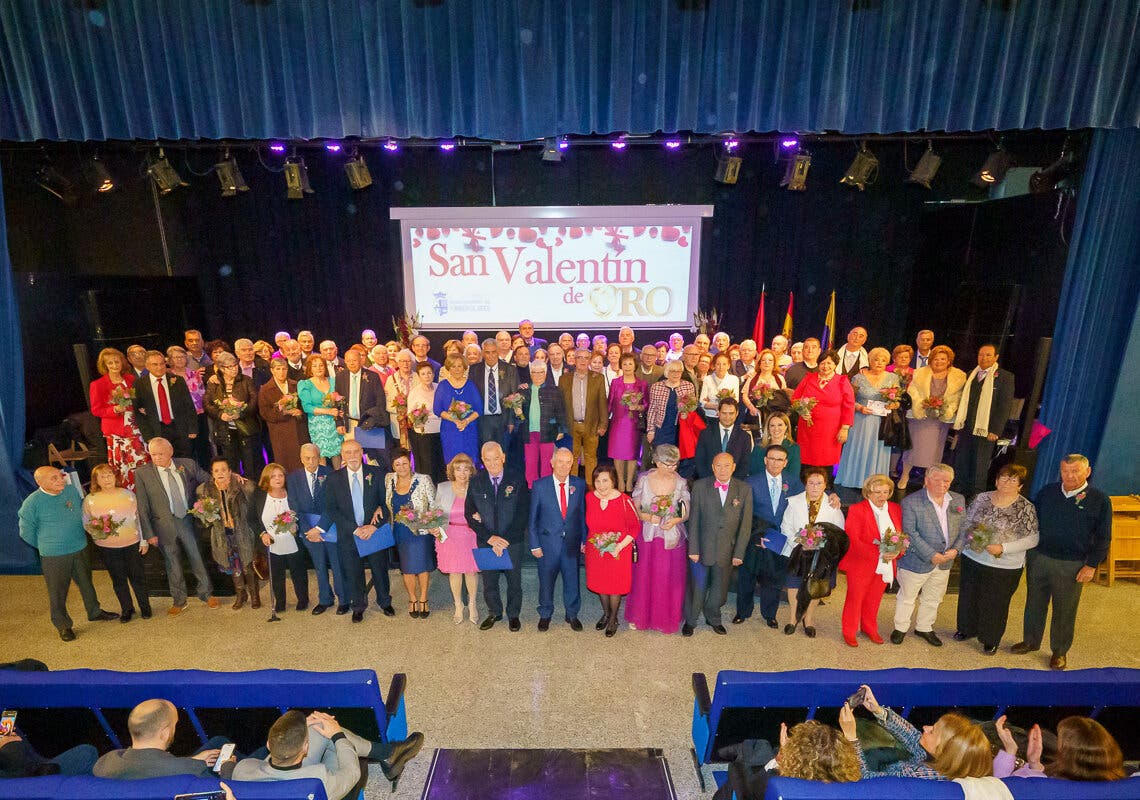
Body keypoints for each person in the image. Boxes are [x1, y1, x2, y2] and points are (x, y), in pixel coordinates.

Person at [1012, 454, 1112, 670]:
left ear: (1087, 472)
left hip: (1072, 564)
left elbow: (1104, 537)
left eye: (1075, 471)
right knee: (1034, 603)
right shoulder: (1047, 492)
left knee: (1064, 610)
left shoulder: (1099, 499)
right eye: (1065, 471)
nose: (1069, 476)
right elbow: (1032, 522)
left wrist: (1092, 564)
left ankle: (1059, 651)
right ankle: (1030, 640)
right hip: (1039, 558)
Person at [232, 710, 425, 800]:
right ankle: (388, 755)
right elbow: (352, 773)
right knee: (334, 739)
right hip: (312, 789)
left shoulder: (240, 771)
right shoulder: (319, 782)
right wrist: (337, 735)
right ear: (305, 747)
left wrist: (299, 728)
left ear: (268, 743)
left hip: (283, 775)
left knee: (319, 726)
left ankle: (389, 755)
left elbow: (264, 766)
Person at [18, 466, 118, 639]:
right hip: (54, 555)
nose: (61, 481)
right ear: (39, 482)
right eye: (54, 479)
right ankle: (63, 625)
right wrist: (46, 545)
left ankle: (94, 612)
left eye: (60, 476)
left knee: (87, 583)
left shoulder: (71, 490)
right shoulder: (32, 503)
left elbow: (82, 513)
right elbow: (26, 532)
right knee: (58, 591)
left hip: (79, 547)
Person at [955, 463, 1039, 655]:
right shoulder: (981, 498)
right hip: (973, 557)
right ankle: (966, 629)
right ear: (996, 480)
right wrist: (970, 537)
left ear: (1020, 485)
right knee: (969, 596)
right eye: (1004, 477)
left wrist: (1003, 548)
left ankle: (989, 639)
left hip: (1005, 565)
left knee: (996, 603)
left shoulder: (1025, 507)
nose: (1007, 482)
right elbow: (966, 522)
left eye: (1013, 479)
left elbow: (1033, 538)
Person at [308, 439, 394, 623]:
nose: (352, 456)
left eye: (356, 451)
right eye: (348, 452)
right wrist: (354, 529)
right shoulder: (333, 478)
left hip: (373, 532)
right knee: (353, 572)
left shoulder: (377, 473)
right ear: (342, 454)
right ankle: (358, 606)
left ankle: (384, 601)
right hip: (348, 534)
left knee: (379, 570)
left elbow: (386, 505)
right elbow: (331, 509)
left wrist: (373, 527)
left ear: (361, 451)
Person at [133, 438, 218, 615]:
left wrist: (229, 478)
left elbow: (210, 481)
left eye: (160, 454)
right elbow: (142, 506)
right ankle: (179, 600)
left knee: (196, 557)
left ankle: (206, 593)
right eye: (153, 454)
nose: (156, 458)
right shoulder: (142, 473)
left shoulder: (187, 464)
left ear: (170, 451)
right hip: (162, 525)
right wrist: (148, 533)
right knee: (172, 563)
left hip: (186, 519)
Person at [842, 685, 992, 780]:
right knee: (875, 753)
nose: (926, 727)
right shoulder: (948, 763)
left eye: (932, 731)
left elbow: (865, 779)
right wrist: (879, 711)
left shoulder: (917, 777)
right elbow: (913, 738)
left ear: (944, 753)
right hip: (900, 765)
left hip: (884, 781)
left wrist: (851, 738)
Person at [891, 464, 965, 646]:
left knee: (934, 597)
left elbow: (964, 529)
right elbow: (910, 532)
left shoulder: (958, 500)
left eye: (946, 480)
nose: (942, 484)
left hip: (946, 561)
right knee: (907, 596)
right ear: (926, 481)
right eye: (937, 479)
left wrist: (956, 550)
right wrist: (931, 554)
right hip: (916, 560)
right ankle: (900, 628)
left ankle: (924, 627)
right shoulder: (911, 502)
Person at [683, 452, 752, 636]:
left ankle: (713, 617)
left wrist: (739, 553)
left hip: (727, 550)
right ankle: (690, 620)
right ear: (713, 467)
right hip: (702, 549)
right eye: (718, 466)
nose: (722, 470)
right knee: (697, 588)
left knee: (719, 592)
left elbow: (745, 525)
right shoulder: (699, 486)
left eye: (727, 466)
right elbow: (694, 519)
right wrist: (693, 549)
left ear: (734, 467)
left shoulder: (744, 489)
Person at [734, 445, 802, 627]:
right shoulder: (750, 481)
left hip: (779, 539)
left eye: (780, 459)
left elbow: (808, 500)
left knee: (774, 579)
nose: (775, 463)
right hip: (754, 537)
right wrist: (755, 536)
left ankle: (770, 614)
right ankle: (742, 611)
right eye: (771, 458)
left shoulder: (793, 482)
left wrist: (832, 497)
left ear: (785, 463)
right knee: (747, 576)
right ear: (765, 460)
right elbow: (742, 513)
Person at [466, 441, 530, 631]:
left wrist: (504, 540)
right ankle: (494, 612)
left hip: (512, 541)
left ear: (503, 457)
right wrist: (490, 538)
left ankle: (513, 614)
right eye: (488, 460)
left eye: (496, 459)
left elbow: (522, 513)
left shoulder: (517, 479)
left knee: (514, 581)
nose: (493, 464)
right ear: (482, 461)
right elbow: (469, 514)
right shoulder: (476, 481)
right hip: (487, 543)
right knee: (489, 581)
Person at [626, 445, 690, 634]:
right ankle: (640, 616)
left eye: (675, 464)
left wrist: (675, 520)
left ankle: (665, 617)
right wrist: (647, 517)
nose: (672, 468)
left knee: (666, 577)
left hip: (671, 537)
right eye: (668, 464)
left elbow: (686, 507)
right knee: (644, 576)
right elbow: (635, 503)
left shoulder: (681, 482)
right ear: (656, 461)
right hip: (647, 536)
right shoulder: (644, 478)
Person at [714, 718, 860, 800]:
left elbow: (751, 788)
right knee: (762, 747)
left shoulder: (775, 784)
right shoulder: (854, 787)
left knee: (739, 768)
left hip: (750, 791)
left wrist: (779, 759)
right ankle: (743, 748)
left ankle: (738, 749)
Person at [94, 699, 236, 779]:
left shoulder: (106, 763)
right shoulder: (190, 770)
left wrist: (193, 759)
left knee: (218, 741)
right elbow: (223, 791)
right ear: (165, 733)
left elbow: (154, 767)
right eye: (175, 724)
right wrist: (227, 769)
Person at [779, 467, 846, 636]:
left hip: (821, 555)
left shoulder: (833, 506)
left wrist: (820, 543)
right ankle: (793, 618)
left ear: (825, 486)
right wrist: (800, 541)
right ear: (805, 485)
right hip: (797, 551)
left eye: (819, 483)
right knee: (794, 585)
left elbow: (839, 531)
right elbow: (785, 525)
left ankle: (808, 619)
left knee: (816, 586)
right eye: (811, 483)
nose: (815, 487)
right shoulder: (793, 502)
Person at [82, 463, 151, 622]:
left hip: (132, 544)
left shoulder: (128, 495)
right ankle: (127, 609)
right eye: (102, 476)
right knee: (119, 580)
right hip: (108, 548)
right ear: (96, 480)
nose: (107, 479)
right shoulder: (90, 500)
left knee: (138, 577)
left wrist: (143, 540)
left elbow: (140, 519)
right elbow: (86, 522)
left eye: (110, 475)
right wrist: (97, 533)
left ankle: (145, 607)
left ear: (115, 477)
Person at [527, 448, 587, 631]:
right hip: (546, 545)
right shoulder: (539, 485)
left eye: (568, 462)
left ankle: (572, 614)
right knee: (546, 582)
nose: (564, 465)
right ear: (552, 463)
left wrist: (584, 539)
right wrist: (534, 544)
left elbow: (582, 515)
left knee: (572, 580)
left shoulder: (579, 484)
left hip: (571, 543)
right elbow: (532, 519)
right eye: (560, 461)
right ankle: (545, 613)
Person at [839, 474, 901, 646]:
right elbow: (853, 539)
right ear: (868, 493)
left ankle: (869, 628)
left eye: (885, 492)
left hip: (886, 564)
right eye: (877, 492)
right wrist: (881, 553)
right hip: (861, 563)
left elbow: (900, 536)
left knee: (874, 599)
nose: (882, 496)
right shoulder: (857, 509)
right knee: (855, 598)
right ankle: (850, 631)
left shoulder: (895, 509)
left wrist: (896, 552)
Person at [288, 444, 348, 615]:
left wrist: (320, 528)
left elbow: (334, 504)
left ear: (319, 456)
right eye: (307, 458)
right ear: (301, 458)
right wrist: (309, 531)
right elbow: (294, 507)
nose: (311, 461)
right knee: (319, 565)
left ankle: (343, 600)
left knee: (337, 564)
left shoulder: (330, 473)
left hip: (329, 525)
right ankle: (325, 599)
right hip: (308, 529)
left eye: (314, 457)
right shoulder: (293, 478)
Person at [898, 345, 967, 490]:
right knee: (912, 449)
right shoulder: (919, 373)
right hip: (920, 417)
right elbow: (913, 392)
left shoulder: (959, 377)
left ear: (949, 361)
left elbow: (958, 397)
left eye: (943, 359)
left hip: (940, 419)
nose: (939, 361)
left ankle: (927, 481)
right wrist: (921, 405)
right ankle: (905, 475)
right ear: (931, 360)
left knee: (934, 453)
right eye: (936, 359)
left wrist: (946, 408)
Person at [582, 463, 640, 637]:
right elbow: (587, 523)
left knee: (614, 586)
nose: (601, 485)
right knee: (600, 584)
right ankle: (606, 614)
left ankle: (614, 618)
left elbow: (634, 528)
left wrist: (619, 547)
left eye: (605, 481)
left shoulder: (624, 501)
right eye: (598, 481)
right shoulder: (590, 498)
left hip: (618, 552)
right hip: (596, 551)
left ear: (613, 480)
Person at [952, 344, 1015, 498]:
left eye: (988, 355)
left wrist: (996, 430)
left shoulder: (1005, 377)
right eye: (981, 355)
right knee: (961, 464)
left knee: (979, 468)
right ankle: (957, 499)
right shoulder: (971, 374)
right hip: (967, 428)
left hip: (986, 431)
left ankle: (976, 501)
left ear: (996, 357)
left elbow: (1004, 406)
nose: (984, 358)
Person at [196, 458, 260, 609]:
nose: (220, 473)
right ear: (212, 473)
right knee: (234, 568)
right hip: (222, 535)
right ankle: (241, 595)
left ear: (230, 471)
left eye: (224, 470)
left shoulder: (242, 485)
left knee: (247, 565)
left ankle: (254, 595)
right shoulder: (205, 490)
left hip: (242, 532)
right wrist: (207, 517)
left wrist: (239, 480)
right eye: (216, 470)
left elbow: (255, 494)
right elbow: (201, 515)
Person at [835, 347, 900, 489]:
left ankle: (875, 483)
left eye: (883, 360)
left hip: (882, 423)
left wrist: (893, 405)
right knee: (858, 449)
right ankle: (854, 479)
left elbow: (897, 400)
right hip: (861, 420)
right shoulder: (858, 378)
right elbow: (849, 399)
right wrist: (859, 408)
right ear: (869, 361)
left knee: (878, 451)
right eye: (876, 359)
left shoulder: (893, 378)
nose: (879, 363)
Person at [249, 462, 309, 613]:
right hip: (271, 542)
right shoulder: (259, 495)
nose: (277, 479)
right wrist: (262, 533)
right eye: (273, 476)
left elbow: (301, 513)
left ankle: (303, 599)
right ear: (267, 479)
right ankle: (280, 602)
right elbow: (251, 519)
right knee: (276, 575)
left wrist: (297, 526)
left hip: (293, 540)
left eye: (280, 475)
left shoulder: (291, 492)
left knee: (299, 572)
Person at [384, 447, 437, 618]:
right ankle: (412, 598)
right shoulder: (388, 480)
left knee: (422, 566)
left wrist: (430, 523)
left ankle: (423, 599)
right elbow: (383, 501)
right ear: (393, 466)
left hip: (420, 531)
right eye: (397, 464)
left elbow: (434, 506)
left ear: (410, 462)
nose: (401, 467)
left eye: (404, 463)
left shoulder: (423, 480)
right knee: (406, 568)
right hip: (399, 531)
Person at [994, 715, 1125, 781]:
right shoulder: (1120, 782)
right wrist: (1035, 764)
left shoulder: (1048, 788)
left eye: (1060, 743)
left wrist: (1009, 751)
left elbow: (997, 790)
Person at [89, 347, 148, 490]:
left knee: (143, 461)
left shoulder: (130, 379)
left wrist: (140, 406)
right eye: (110, 363)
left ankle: (146, 490)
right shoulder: (98, 384)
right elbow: (96, 410)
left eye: (117, 362)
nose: (114, 366)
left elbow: (138, 398)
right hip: (118, 434)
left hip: (136, 429)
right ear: (105, 365)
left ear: (122, 362)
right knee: (124, 468)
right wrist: (114, 409)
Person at [432, 454, 480, 624]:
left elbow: (485, 508)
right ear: (452, 470)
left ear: (471, 471)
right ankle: (458, 605)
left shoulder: (476, 487)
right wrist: (434, 527)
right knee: (455, 572)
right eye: (458, 469)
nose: (462, 473)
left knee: (471, 571)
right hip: (449, 535)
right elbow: (435, 512)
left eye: (466, 469)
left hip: (470, 535)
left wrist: (481, 517)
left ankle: (472, 604)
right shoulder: (443, 487)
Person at [790, 349, 854, 472]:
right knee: (806, 457)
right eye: (823, 363)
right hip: (808, 428)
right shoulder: (809, 378)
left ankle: (826, 485)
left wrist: (844, 428)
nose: (825, 366)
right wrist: (801, 410)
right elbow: (795, 398)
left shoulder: (842, 381)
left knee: (827, 459)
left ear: (835, 365)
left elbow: (849, 406)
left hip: (831, 430)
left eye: (829, 363)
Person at [205, 351, 263, 476]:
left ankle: (252, 490)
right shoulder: (214, 383)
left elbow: (254, 402)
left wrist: (240, 413)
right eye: (229, 367)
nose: (234, 369)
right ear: (221, 368)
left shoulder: (246, 380)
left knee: (250, 465)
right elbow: (207, 404)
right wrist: (220, 414)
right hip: (225, 431)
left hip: (246, 428)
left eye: (235, 365)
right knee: (231, 465)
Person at [134, 349, 198, 458]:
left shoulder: (177, 380)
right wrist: (148, 435)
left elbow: (189, 406)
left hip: (179, 427)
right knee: (164, 460)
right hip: (157, 429)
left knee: (185, 460)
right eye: (155, 364)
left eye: (162, 363)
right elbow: (138, 412)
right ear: (147, 366)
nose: (159, 367)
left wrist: (192, 428)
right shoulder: (139, 384)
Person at [559, 348, 609, 487]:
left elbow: (602, 402)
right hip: (571, 425)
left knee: (591, 457)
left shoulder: (598, 378)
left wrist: (603, 424)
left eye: (585, 358)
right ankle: (573, 487)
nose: (582, 360)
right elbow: (561, 405)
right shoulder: (564, 379)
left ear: (589, 360)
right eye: (579, 357)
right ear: (574, 360)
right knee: (571, 457)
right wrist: (560, 427)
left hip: (591, 424)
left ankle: (592, 487)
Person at [519, 361, 569, 487]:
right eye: (534, 372)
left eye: (540, 372)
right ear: (530, 374)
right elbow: (518, 414)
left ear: (545, 373)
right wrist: (517, 412)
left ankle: (545, 488)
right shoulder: (523, 391)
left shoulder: (554, 390)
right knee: (530, 463)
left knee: (547, 463)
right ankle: (532, 487)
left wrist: (561, 430)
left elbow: (561, 411)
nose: (537, 375)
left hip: (548, 431)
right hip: (529, 432)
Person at [258, 357, 310, 474]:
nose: (281, 372)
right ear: (272, 370)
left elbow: (304, 404)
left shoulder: (295, 385)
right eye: (278, 369)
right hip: (280, 434)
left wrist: (300, 411)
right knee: (286, 464)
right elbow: (265, 413)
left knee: (303, 462)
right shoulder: (265, 389)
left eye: (284, 369)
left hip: (299, 430)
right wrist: (283, 411)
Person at [334, 347, 388, 456]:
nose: (351, 363)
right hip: (349, 423)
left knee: (373, 458)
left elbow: (380, 400)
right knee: (351, 456)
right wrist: (339, 423)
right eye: (348, 361)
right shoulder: (340, 376)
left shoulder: (372, 376)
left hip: (368, 423)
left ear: (361, 360)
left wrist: (373, 419)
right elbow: (337, 400)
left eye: (354, 360)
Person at [607, 353, 648, 492]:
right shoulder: (615, 383)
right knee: (618, 453)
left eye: (630, 363)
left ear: (635, 365)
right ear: (621, 365)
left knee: (632, 454)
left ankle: (630, 481)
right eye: (624, 364)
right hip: (618, 423)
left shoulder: (642, 384)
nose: (627, 366)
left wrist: (637, 407)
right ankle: (619, 481)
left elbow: (646, 404)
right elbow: (609, 403)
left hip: (633, 424)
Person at [469, 338, 520, 450]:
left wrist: (511, 421)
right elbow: (471, 396)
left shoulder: (510, 369)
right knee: (485, 454)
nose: (491, 355)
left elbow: (515, 396)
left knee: (503, 454)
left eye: (494, 352)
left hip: (504, 419)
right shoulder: (474, 370)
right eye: (487, 352)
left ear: (498, 352)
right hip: (483, 420)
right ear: (482, 353)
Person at [434, 354, 482, 465]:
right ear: (448, 368)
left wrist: (466, 421)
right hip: (450, 429)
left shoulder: (471, 385)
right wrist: (455, 420)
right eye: (453, 366)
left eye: (459, 366)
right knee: (452, 460)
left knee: (470, 460)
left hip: (469, 428)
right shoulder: (442, 385)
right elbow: (437, 409)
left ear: (464, 367)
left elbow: (479, 409)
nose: (456, 369)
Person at [298, 354, 344, 468]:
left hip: (335, 421)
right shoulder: (305, 384)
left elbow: (341, 400)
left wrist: (340, 411)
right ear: (310, 369)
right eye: (315, 366)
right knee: (320, 454)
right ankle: (323, 481)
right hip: (318, 424)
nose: (318, 368)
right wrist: (328, 412)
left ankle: (339, 479)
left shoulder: (334, 381)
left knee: (337, 453)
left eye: (321, 365)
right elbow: (307, 407)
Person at [645, 359, 696, 461]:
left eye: (679, 371)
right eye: (673, 371)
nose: (676, 374)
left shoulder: (688, 386)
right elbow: (652, 410)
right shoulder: (657, 386)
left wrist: (686, 413)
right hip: (661, 428)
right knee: (661, 458)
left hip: (680, 429)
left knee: (677, 458)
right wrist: (650, 430)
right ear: (667, 372)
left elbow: (693, 406)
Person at [693, 397, 753, 479]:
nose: (727, 417)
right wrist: (709, 482)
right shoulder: (706, 433)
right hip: (708, 483)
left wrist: (732, 484)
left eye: (731, 413)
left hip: (734, 485)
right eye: (724, 413)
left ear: (737, 413)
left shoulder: (744, 437)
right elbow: (700, 461)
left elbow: (744, 464)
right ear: (718, 412)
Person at [407, 361, 446, 483]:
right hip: (424, 435)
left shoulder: (439, 387)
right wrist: (420, 417)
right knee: (428, 467)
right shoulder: (415, 392)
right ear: (419, 376)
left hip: (441, 432)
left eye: (429, 373)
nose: (427, 376)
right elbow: (410, 414)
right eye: (423, 374)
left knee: (441, 465)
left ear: (433, 374)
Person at [741, 348, 789, 426]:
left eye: (770, 360)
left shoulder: (780, 378)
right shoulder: (752, 377)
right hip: (756, 416)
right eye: (763, 360)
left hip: (775, 417)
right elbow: (744, 396)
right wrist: (752, 408)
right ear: (759, 363)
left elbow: (784, 398)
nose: (767, 363)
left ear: (774, 363)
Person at [749, 411, 800, 478]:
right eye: (772, 425)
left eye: (780, 425)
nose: (776, 429)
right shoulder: (759, 447)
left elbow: (794, 474)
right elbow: (753, 471)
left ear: (786, 427)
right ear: (768, 428)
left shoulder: (794, 448)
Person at [385, 348, 415, 449]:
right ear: (397, 363)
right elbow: (387, 402)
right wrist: (400, 409)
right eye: (402, 361)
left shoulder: (418, 378)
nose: (405, 364)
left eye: (408, 361)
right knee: (400, 451)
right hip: (397, 423)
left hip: (415, 422)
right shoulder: (391, 379)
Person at [700, 353, 740, 421]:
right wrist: (716, 407)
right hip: (710, 416)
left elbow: (736, 400)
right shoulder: (707, 379)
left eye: (724, 364)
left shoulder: (734, 379)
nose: (721, 367)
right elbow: (702, 402)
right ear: (714, 365)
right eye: (718, 364)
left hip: (727, 418)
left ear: (728, 366)